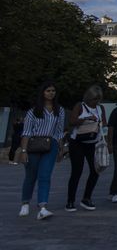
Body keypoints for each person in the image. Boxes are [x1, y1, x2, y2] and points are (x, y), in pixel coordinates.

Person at [17, 81, 66, 220]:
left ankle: (42, 207)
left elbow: (59, 131)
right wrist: (23, 150)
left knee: (45, 175)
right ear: (42, 93)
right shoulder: (33, 111)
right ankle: (25, 203)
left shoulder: (59, 110)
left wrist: (61, 148)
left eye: (53, 91)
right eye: (48, 91)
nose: (51, 93)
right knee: (31, 176)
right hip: (33, 145)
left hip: (50, 144)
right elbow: (26, 132)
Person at [66, 84, 107, 212]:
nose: (95, 102)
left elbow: (104, 123)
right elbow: (71, 122)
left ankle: (86, 198)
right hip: (78, 142)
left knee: (95, 171)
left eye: (98, 99)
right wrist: (86, 118)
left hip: (93, 142)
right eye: (93, 99)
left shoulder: (101, 108)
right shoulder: (80, 106)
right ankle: (70, 201)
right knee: (77, 171)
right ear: (88, 98)